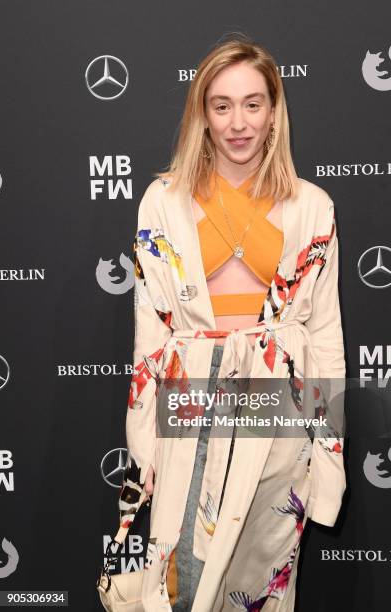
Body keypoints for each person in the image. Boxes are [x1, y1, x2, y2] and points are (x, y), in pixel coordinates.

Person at [117, 34, 347, 612]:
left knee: (258, 584)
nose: (238, 122)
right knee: (181, 579)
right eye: (222, 106)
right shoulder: (162, 201)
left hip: (278, 406)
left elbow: (324, 334)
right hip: (191, 393)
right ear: (203, 114)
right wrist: (141, 444)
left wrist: (330, 454)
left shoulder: (312, 206)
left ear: (274, 113)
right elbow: (151, 332)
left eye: (253, 104)